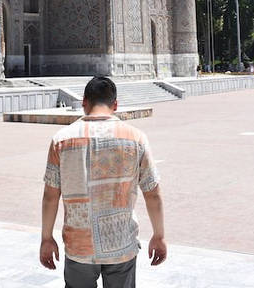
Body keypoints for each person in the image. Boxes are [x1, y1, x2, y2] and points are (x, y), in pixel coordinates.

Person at [40, 76, 166, 287]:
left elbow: (50, 196)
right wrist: (159, 235)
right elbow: (152, 193)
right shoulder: (136, 138)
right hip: (120, 242)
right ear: (115, 105)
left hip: (79, 245)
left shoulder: (62, 140)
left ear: (84, 102)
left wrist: (46, 238)